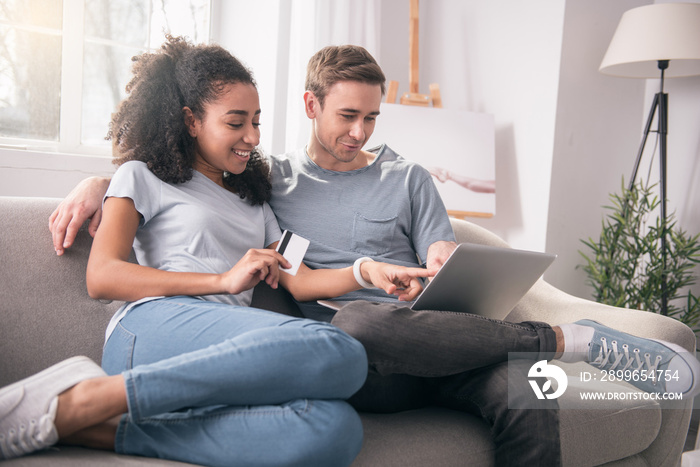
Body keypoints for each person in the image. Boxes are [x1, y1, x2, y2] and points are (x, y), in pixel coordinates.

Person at [47, 44, 700, 466]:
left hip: (437, 339)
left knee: (515, 390)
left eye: (372, 119)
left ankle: (560, 350)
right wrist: (101, 179)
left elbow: (370, 264)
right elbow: (160, 206)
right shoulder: (269, 183)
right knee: (354, 327)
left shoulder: (348, 186)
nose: (360, 133)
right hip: (349, 346)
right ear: (312, 105)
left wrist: (413, 267)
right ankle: (567, 338)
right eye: (347, 116)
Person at [0, 37, 436, 466]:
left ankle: (103, 428)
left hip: (226, 351)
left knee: (335, 429)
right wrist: (221, 281)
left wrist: (366, 270)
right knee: (340, 352)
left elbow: (299, 280)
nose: (251, 136)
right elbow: (103, 277)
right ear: (192, 121)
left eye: (257, 122)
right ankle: (91, 397)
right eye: (235, 122)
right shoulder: (141, 177)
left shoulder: (257, 200)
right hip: (153, 328)